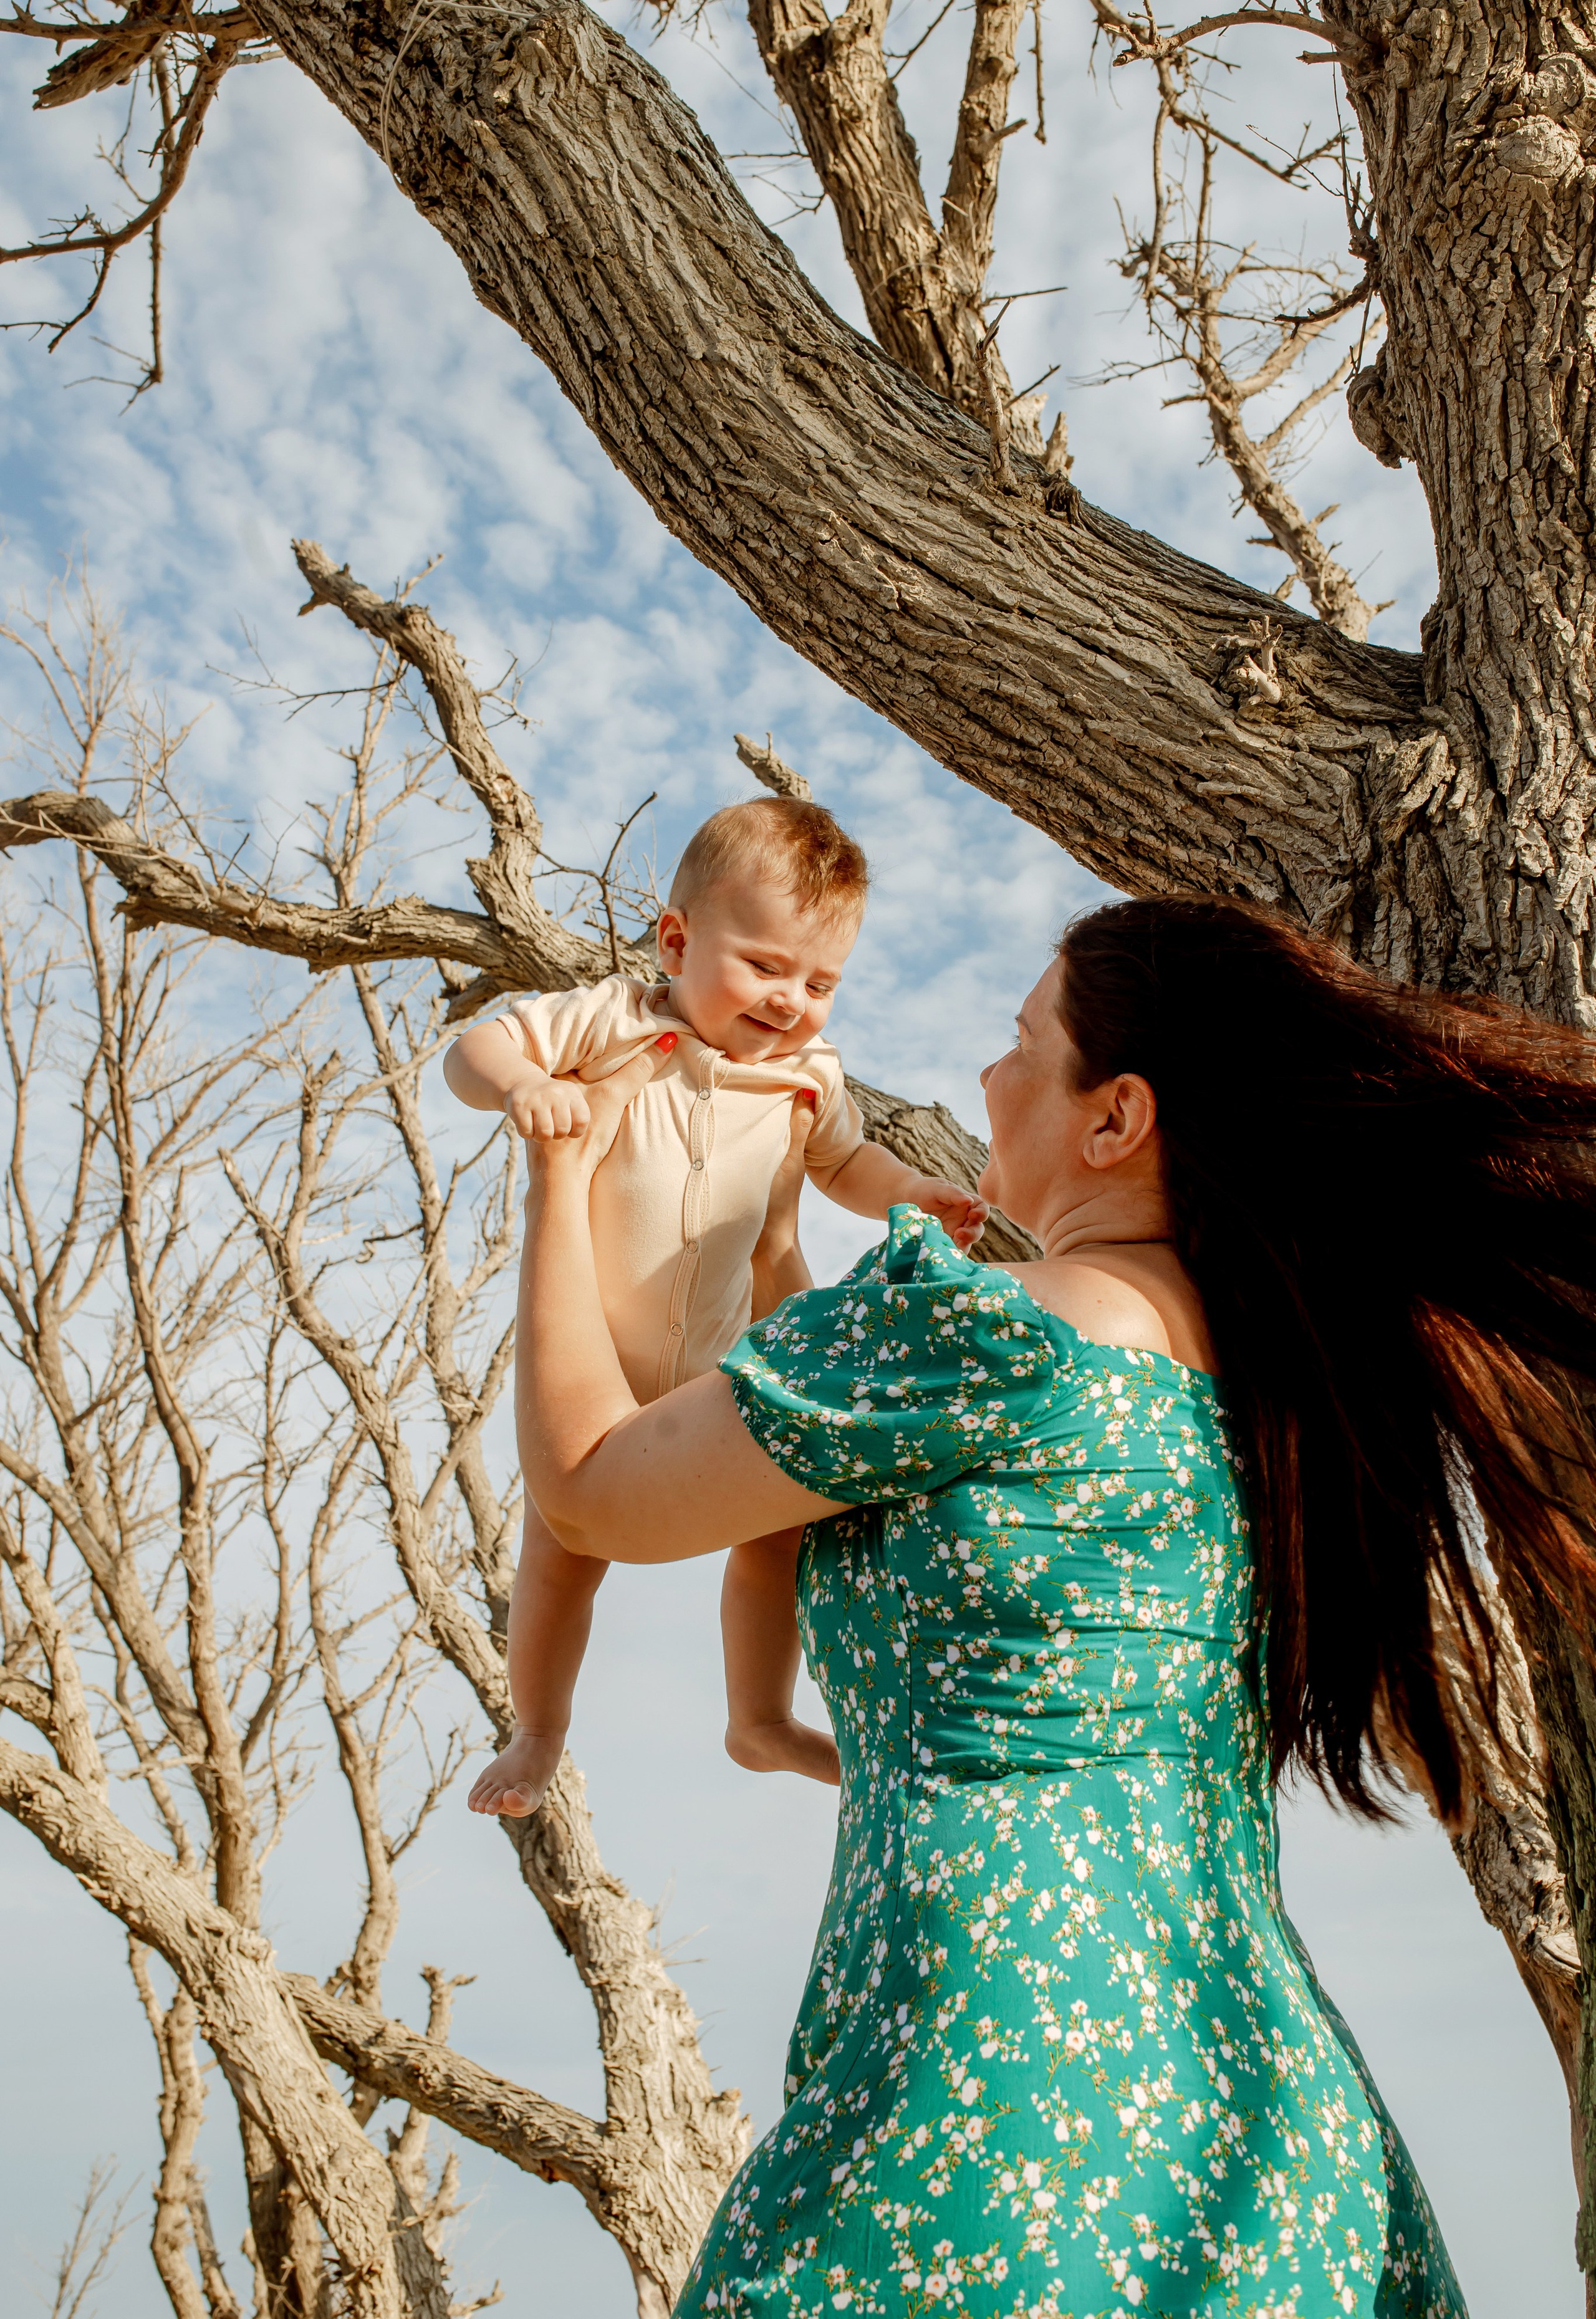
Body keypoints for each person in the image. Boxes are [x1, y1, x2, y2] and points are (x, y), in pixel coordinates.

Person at [512, 891, 1596, 2317]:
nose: (984, 1077)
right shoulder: (1273, 1400)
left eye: (1022, 1041)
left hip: (988, 2096)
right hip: (1266, 2128)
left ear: (1114, 1118)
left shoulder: (983, 1329)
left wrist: (560, 1175)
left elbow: (590, 1488)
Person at [445, 795, 989, 1818]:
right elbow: (472, 1052)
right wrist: (522, 1084)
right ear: (679, 940)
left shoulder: (806, 1076)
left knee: (780, 1527)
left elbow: (847, 1164)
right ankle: (538, 1732)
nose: (792, 1001)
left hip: (714, 1368)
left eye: (821, 982)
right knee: (562, 1561)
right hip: (592, 1358)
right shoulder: (609, 1021)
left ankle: (759, 1719)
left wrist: (911, 1195)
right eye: (766, 967)